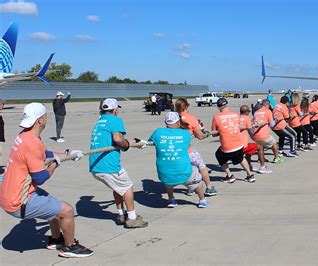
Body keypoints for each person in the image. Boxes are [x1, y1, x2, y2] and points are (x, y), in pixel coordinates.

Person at [0, 103, 93, 258]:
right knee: (67, 211)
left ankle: (55, 240)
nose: (46, 119)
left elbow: (45, 153)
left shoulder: (24, 135)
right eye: (45, 116)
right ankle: (69, 247)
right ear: (40, 120)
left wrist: (68, 153)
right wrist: (56, 163)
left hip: (11, 193)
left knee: (55, 207)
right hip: (18, 201)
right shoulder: (32, 143)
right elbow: (41, 177)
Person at [89, 98, 148, 228]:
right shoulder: (115, 120)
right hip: (108, 165)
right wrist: (126, 145)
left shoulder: (99, 121)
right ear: (115, 110)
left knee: (118, 187)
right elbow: (117, 138)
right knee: (127, 186)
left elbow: (115, 140)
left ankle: (121, 214)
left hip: (95, 165)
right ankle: (132, 218)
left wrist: (134, 142)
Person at [148, 112, 208, 208]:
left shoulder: (157, 132)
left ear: (165, 122)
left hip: (164, 174)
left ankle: (171, 199)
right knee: (197, 180)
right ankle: (202, 200)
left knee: (168, 178)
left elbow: (151, 140)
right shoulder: (185, 134)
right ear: (178, 122)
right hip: (184, 172)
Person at [175, 98, 218, 196]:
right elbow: (200, 136)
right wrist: (207, 133)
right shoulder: (191, 118)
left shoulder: (173, 117)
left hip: (178, 152)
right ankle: (209, 187)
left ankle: (190, 189)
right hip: (188, 151)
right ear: (186, 107)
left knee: (188, 169)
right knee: (202, 166)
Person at [211, 98, 255, 183]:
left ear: (219, 107)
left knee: (219, 155)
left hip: (227, 146)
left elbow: (214, 134)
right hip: (239, 144)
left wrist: (221, 131)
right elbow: (237, 127)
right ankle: (250, 175)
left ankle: (229, 175)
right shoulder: (236, 115)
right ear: (227, 105)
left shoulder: (216, 117)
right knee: (241, 158)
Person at [240, 105, 272, 174]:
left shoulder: (237, 118)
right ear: (246, 112)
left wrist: (251, 124)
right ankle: (263, 167)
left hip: (237, 144)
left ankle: (249, 165)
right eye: (248, 111)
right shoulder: (246, 118)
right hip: (242, 146)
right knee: (260, 146)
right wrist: (257, 126)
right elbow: (251, 133)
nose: (249, 113)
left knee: (250, 148)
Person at [252, 99, 284, 164]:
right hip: (263, 135)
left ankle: (261, 158)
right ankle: (276, 158)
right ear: (268, 105)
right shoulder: (268, 111)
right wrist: (276, 120)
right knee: (274, 143)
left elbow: (253, 121)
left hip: (255, 134)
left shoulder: (256, 112)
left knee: (261, 145)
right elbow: (272, 125)